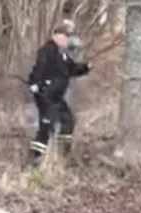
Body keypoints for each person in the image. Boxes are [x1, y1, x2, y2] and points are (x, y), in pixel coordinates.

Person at [26, 24, 92, 169]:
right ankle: (34, 159)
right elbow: (39, 68)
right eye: (66, 37)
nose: (67, 40)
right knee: (46, 126)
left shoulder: (62, 54)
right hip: (46, 95)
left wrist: (86, 67)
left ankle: (63, 154)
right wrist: (36, 84)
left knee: (68, 120)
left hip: (56, 96)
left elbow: (72, 69)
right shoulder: (47, 50)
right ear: (57, 35)